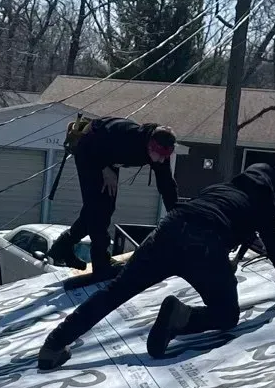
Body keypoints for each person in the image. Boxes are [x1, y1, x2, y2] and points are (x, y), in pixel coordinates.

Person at [36, 164, 275, 371]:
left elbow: (214, 216)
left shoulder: (219, 188)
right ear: (270, 187)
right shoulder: (262, 201)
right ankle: (179, 318)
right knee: (227, 315)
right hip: (204, 244)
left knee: (116, 291)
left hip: (169, 230)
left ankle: (54, 344)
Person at [48, 118, 179, 278]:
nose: (162, 160)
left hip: (107, 159)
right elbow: (90, 143)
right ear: (150, 145)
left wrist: (176, 215)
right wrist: (105, 168)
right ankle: (101, 263)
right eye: (160, 155)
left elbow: (166, 185)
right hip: (89, 153)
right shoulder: (129, 137)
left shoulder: (159, 154)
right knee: (98, 210)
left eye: (167, 156)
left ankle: (63, 246)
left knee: (101, 207)